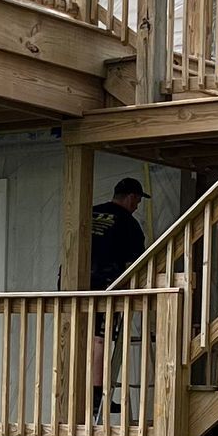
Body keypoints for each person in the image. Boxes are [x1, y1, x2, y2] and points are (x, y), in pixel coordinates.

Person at [88, 177, 147, 417]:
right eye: (138, 201)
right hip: (105, 285)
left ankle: (74, 390)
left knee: (77, 338)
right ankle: (96, 397)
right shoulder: (128, 223)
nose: (137, 206)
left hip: (73, 285)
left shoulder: (89, 213)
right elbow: (138, 263)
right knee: (100, 339)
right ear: (131, 197)